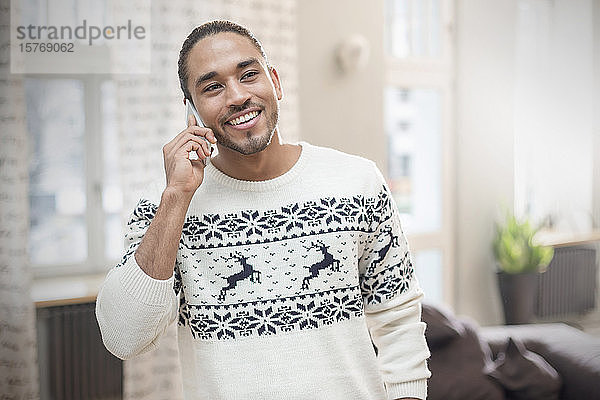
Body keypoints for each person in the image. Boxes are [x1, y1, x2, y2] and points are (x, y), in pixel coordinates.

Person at [96, 20, 431, 400]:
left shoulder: (357, 181)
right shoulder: (167, 202)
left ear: (275, 82)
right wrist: (175, 199)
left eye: (249, 75)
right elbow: (125, 338)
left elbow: (398, 319)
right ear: (191, 111)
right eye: (212, 87)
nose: (236, 96)